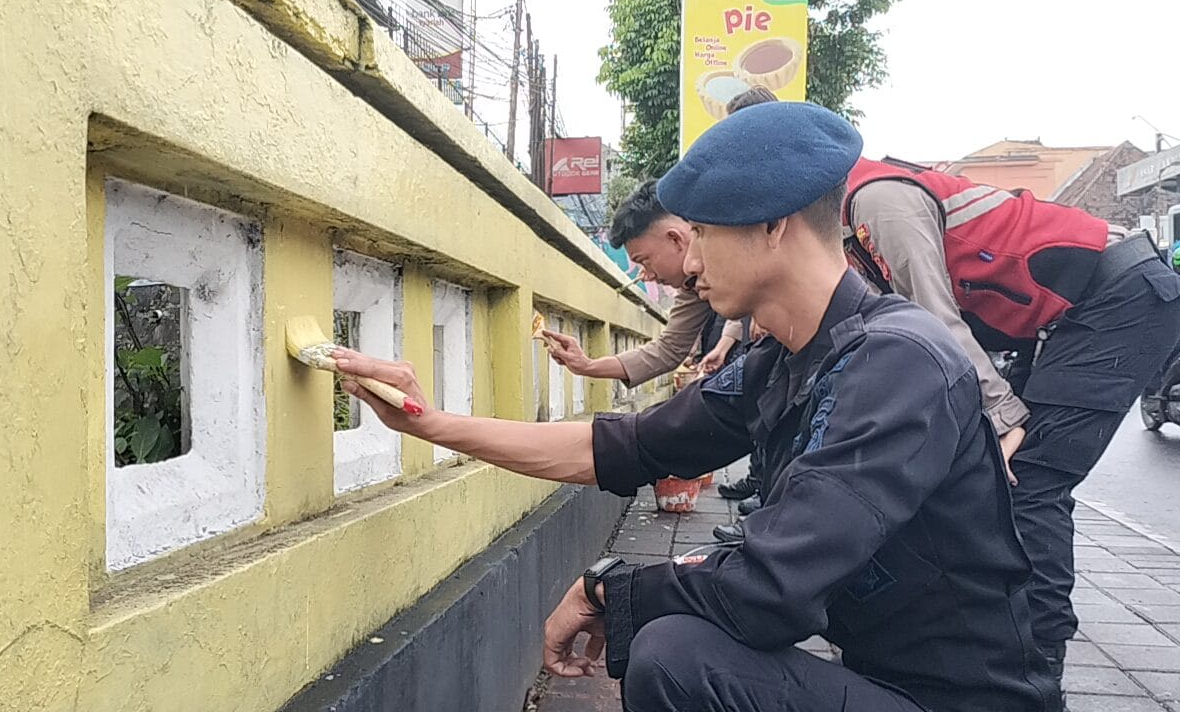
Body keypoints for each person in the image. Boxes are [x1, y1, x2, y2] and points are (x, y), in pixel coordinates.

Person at [332, 102, 1060, 712]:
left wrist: (606, 588)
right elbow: (620, 447)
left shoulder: (897, 362)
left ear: (773, 225)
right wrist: (429, 422)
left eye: (703, 232)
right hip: (878, 678)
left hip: (954, 702)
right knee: (674, 641)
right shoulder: (783, 361)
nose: (689, 262)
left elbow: (772, 588)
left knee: (676, 657)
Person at [713, 88, 1180, 690]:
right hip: (1054, 319)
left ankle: (1034, 669)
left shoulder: (876, 201)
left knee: (1028, 481)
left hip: (1117, 295)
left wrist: (1002, 417)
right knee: (981, 478)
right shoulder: (836, 224)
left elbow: (934, 321)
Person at [542, 180, 762, 502]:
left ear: (675, 238)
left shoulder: (747, 226)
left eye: (645, 260)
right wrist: (587, 366)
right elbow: (669, 349)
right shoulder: (692, 285)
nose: (647, 274)